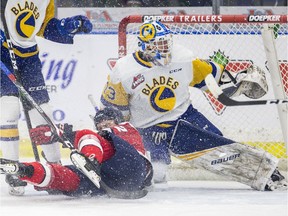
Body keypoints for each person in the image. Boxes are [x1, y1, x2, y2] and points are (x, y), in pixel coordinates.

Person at [100, 20, 287, 191]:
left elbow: (211, 76)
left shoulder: (182, 58)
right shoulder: (124, 71)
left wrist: (239, 80)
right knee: (156, 174)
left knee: (220, 146)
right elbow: (116, 111)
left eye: (166, 43)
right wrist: (120, 136)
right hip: (147, 128)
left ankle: (266, 174)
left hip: (184, 116)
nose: (165, 49)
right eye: (159, 45)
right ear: (144, 46)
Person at [0, 0, 93, 195]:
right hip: (2, 52)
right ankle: (12, 167)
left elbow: (43, 26)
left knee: (43, 113)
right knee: (9, 108)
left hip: (29, 57)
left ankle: (54, 167)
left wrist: (66, 27)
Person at [0, 107, 152, 198]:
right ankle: (23, 170)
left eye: (108, 123)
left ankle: (91, 160)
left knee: (86, 134)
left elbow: (91, 136)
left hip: (131, 164)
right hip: (110, 180)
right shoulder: (102, 139)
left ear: (117, 121)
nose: (103, 126)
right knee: (63, 175)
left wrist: (60, 133)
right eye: (100, 124)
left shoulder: (126, 128)